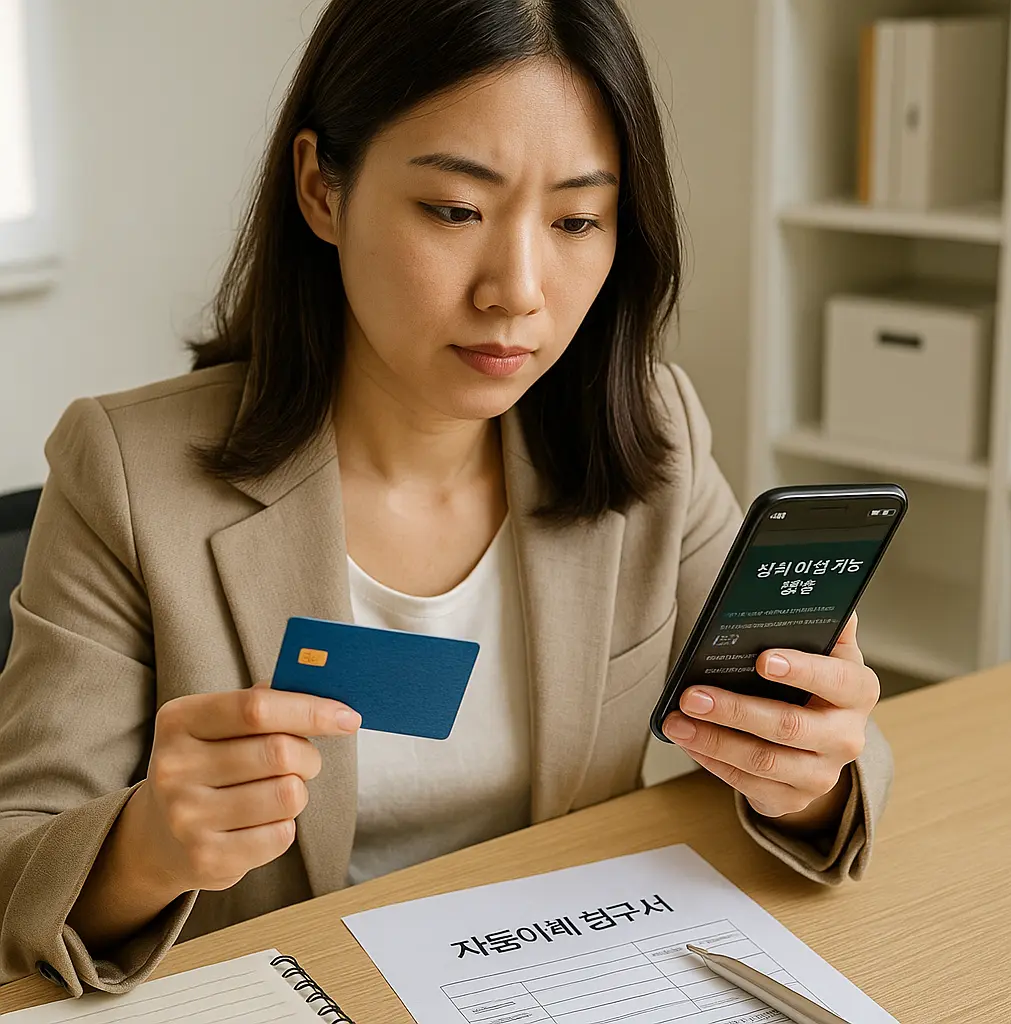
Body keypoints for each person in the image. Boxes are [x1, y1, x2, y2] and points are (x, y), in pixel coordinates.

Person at [0, 0, 891, 997]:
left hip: (560, 983)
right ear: (320, 189)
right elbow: (16, 858)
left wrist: (806, 777)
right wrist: (151, 845)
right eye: (456, 210)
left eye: (575, 220)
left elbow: (828, 737)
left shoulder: (650, 431)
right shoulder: (127, 470)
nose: (516, 288)